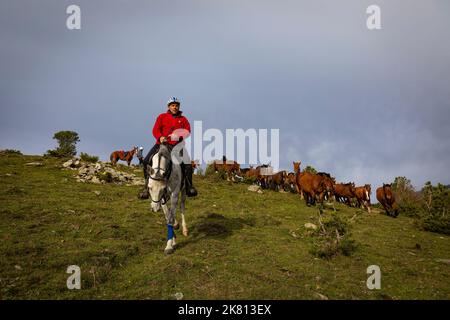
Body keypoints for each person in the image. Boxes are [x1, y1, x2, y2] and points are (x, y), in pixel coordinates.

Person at [139, 97, 198, 199]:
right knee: (145, 161)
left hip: (177, 146)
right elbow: (155, 129)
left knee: (187, 164)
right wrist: (160, 137)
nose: (175, 107)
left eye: (176, 105)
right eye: (172, 105)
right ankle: (146, 188)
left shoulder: (183, 119)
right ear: (169, 107)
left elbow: (187, 131)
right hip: (161, 144)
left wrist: (178, 136)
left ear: (178, 106)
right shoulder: (162, 117)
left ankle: (189, 187)